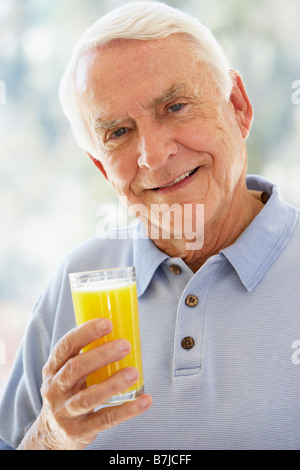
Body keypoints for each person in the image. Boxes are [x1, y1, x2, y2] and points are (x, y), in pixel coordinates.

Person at [1, 1, 300, 450]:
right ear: (103, 168)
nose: (154, 155)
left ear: (238, 107)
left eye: (176, 106)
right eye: (118, 133)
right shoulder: (73, 281)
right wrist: (49, 437)